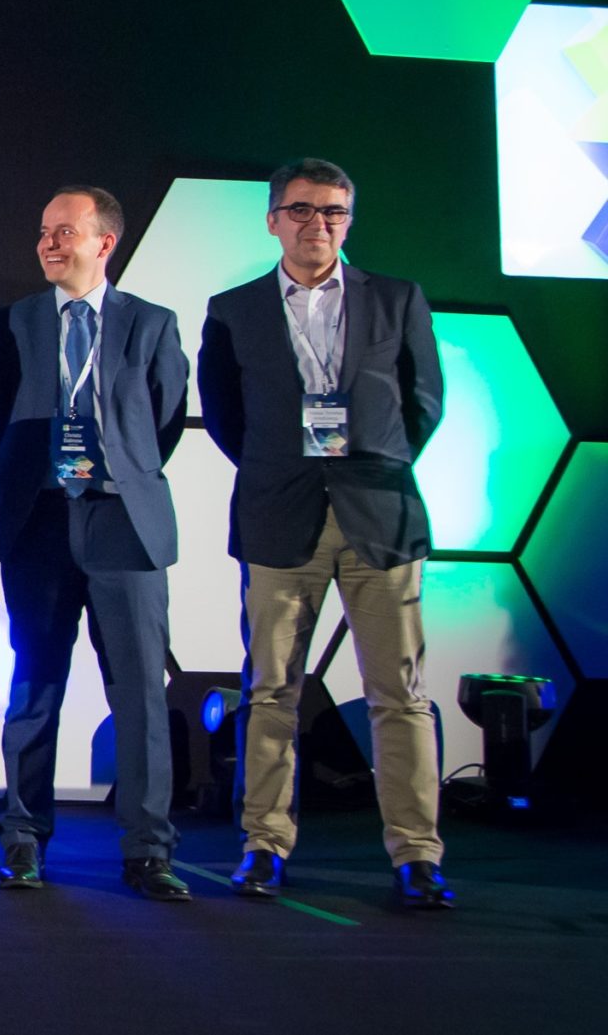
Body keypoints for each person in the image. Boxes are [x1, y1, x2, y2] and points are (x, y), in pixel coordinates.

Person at [199, 158, 452, 910]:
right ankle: (264, 844)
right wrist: (286, 470)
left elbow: (424, 402)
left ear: (349, 220)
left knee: (399, 695)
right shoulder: (233, 309)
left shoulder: (397, 298)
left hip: (380, 517)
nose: (319, 224)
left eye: (334, 211)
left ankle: (417, 855)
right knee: (271, 691)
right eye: (303, 210)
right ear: (273, 220)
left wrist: (370, 465)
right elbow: (226, 417)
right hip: (280, 518)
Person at [0, 187, 191, 900]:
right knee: (34, 684)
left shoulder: (152, 323)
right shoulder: (13, 323)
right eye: (44, 231)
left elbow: (163, 418)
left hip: (123, 522)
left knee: (139, 693)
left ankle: (148, 850)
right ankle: (22, 839)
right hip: (39, 521)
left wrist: (115, 473)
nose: (48, 243)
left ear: (105, 242)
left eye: (65, 231)